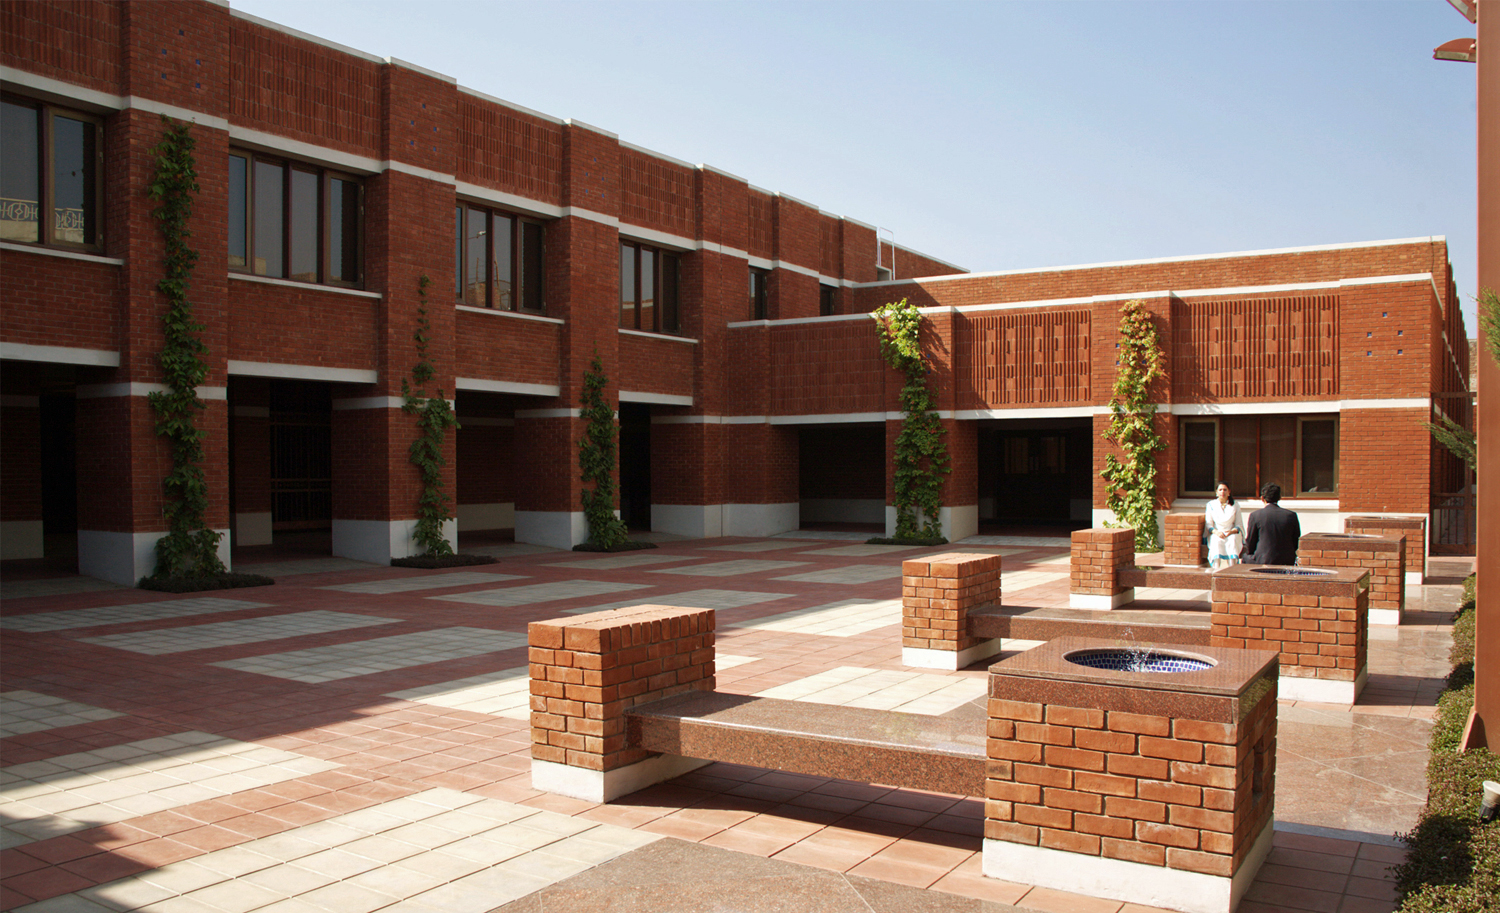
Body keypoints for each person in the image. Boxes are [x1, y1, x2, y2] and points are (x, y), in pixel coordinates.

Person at [1242, 482, 1300, 565]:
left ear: (1262, 498)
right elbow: (1295, 540)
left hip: (1263, 559)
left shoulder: (1255, 515)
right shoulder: (1291, 515)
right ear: (1279, 497)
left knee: (1245, 557)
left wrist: (1251, 553)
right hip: (1287, 559)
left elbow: (1250, 542)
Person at [1203, 482, 1242, 570]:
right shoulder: (1211, 505)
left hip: (1231, 533)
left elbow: (1239, 524)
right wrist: (1216, 532)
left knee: (1232, 540)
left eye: (1225, 490)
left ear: (1229, 492)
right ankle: (1215, 569)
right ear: (1216, 492)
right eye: (1220, 490)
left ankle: (1233, 569)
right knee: (1216, 541)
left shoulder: (1235, 505)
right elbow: (1209, 524)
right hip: (1217, 533)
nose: (1222, 492)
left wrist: (1231, 532)